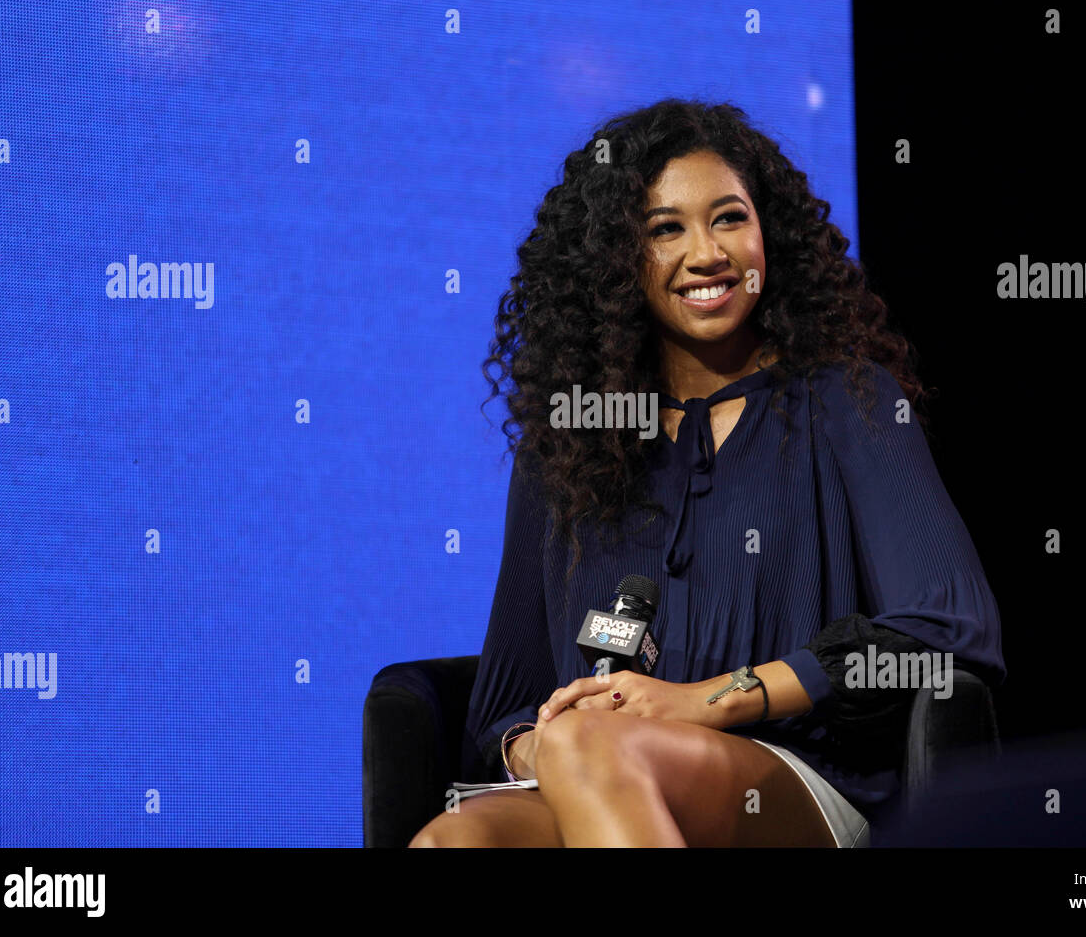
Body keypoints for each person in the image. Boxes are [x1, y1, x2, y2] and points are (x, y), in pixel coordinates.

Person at [409, 98, 1005, 847]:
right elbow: (505, 704)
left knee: (592, 750)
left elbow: (949, 630)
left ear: (770, 234)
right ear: (616, 263)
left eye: (729, 218)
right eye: (666, 230)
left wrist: (710, 701)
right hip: (596, 768)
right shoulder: (572, 441)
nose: (707, 254)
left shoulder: (844, 401)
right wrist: (544, 739)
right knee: (454, 839)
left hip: (804, 776)